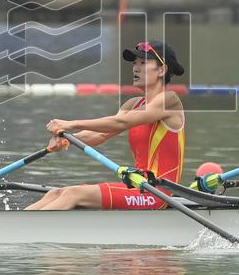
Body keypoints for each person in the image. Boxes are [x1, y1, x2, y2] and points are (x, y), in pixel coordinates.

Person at [26, 40, 186, 210]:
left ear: (162, 70)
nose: (135, 68)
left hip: (157, 193)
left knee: (73, 194)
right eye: (135, 63)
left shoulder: (169, 101)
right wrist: (67, 140)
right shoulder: (132, 104)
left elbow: (120, 122)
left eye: (143, 63)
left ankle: (23, 232)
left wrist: (71, 124)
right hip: (138, 188)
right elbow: (100, 135)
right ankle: (16, 227)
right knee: (55, 193)